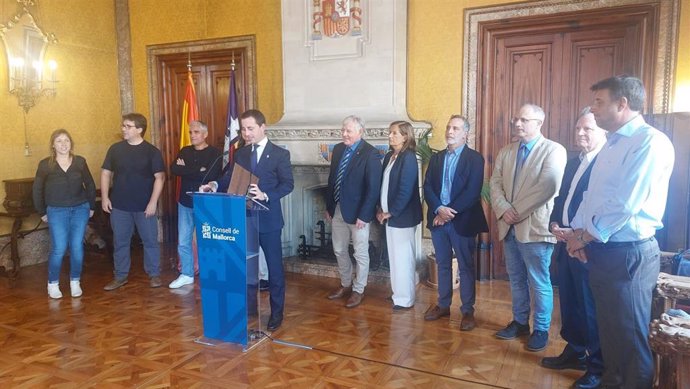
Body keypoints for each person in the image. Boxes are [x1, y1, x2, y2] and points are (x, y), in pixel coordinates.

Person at [566, 76, 675, 389]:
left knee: (629, 339)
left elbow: (625, 202)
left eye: (599, 102)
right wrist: (577, 234)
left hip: (629, 254)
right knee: (609, 333)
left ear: (622, 104)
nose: (593, 109)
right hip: (605, 250)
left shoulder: (649, 142)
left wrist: (584, 236)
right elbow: (593, 196)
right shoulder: (612, 142)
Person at [202, 109, 294, 331]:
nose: (246, 133)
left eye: (250, 128)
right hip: (243, 218)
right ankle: (248, 307)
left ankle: (276, 313)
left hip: (268, 219)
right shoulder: (241, 153)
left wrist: (266, 195)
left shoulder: (280, 154)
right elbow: (229, 178)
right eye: (243, 129)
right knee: (244, 265)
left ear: (263, 127)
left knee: (274, 268)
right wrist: (214, 185)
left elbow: (288, 184)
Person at [489, 103, 566, 351]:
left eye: (524, 120)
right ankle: (520, 322)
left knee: (539, 281)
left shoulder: (553, 150)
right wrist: (503, 210)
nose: (518, 124)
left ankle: (541, 329)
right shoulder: (507, 151)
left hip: (535, 229)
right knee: (516, 280)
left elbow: (547, 186)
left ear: (539, 123)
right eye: (516, 119)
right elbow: (494, 183)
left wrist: (515, 211)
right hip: (509, 227)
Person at [541, 108, 607, 389]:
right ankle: (575, 351)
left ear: (603, 131)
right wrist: (555, 223)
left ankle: (597, 367)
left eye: (587, 129)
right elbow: (562, 198)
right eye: (578, 128)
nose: (580, 133)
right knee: (569, 302)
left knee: (590, 308)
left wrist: (577, 234)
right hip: (565, 241)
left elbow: (601, 207)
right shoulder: (573, 161)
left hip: (589, 246)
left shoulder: (606, 162)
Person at [423, 115, 488, 330]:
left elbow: (472, 192)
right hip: (439, 221)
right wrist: (438, 210)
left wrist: (447, 213)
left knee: (466, 266)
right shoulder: (437, 158)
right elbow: (428, 187)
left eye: (456, 128)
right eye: (449, 127)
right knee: (442, 264)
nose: (450, 131)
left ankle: (467, 311)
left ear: (465, 133)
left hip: (462, 221)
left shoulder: (475, 159)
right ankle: (443, 305)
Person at [101, 113, 165, 290]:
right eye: (123, 125)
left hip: (145, 206)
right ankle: (120, 276)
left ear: (139, 129)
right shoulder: (115, 149)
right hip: (119, 205)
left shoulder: (152, 152)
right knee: (120, 241)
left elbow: (160, 178)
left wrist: (153, 202)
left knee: (150, 241)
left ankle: (154, 274)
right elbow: (106, 173)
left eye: (128, 126)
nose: (123, 129)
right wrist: (105, 197)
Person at [325, 115, 382, 308]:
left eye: (348, 130)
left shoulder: (371, 154)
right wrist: (329, 206)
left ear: (360, 131)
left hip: (359, 214)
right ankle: (345, 284)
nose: (344, 134)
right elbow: (333, 179)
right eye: (343, 130)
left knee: (360, 252)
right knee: (339, 249)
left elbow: (373, 188)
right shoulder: (339, 149)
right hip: (339, 209)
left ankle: (359, 290)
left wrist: (364, 215)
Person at [33, 129, 96, 299]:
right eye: (59, 141)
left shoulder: (80, 162)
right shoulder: (45, 164)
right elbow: (37, 189)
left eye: (66, 140)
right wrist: (41, 211)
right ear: (53, 145)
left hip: (80, 209)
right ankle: (52, 284)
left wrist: (91, 206)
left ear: (71, 143)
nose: (63, 144)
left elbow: (90, 184)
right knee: (59, 248)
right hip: (56, 210)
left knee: (76, 247)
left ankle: (75, 281)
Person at [168, 120, 222, 289]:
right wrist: (198, 171)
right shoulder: (185, 150)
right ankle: (186, 274)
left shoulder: (215, 153)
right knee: (183, 240)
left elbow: (212, 174)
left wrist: (190, 170)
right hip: (185, 202)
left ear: (205, 134)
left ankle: (212, 274)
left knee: (208, 240)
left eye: (196, 132)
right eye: (191, 132)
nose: (192, 135)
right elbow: (174, 169)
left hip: (205, 203)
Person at [376, 121, 422, 310]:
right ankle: (398, 294)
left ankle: (405, 299)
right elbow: (384, 185)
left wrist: (391, 212)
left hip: (402, 217)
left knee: (403, 258)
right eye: (390, 133)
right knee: (395, 258)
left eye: (394, 133)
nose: (390, 136)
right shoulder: (389, 156)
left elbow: (405, 190)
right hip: (389, 217)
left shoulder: (409, 157)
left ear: (405, 136)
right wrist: (380, 209)